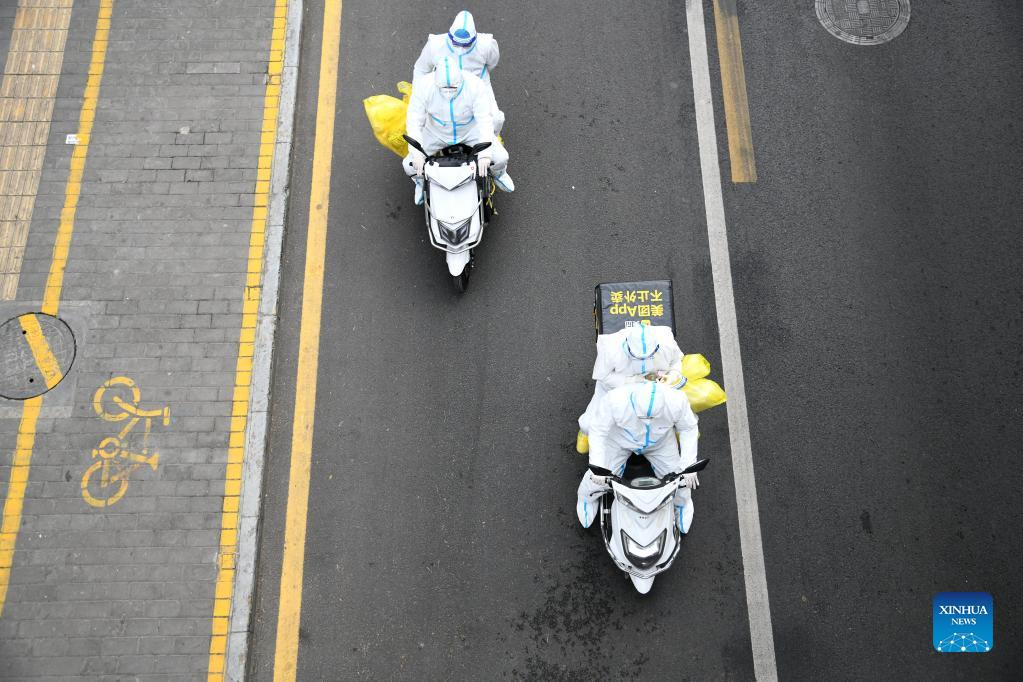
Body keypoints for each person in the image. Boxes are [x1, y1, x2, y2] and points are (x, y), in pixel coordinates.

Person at [575, 381, 700, 534]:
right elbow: (598, 430)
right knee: (597, 477)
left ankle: (682, 504)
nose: (648, 421)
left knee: (680, 478)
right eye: (643, 417)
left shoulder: (678, 401)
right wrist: (598, 465)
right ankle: (586, 499)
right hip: (620, 440)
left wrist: (688, 465)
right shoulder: (614, 400)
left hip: (660, 442)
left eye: (653, 417)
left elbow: (688, 428)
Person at [403, 56, 514, 205]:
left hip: (469, 131)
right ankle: (421, 182)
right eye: (444, 88)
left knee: (500, 158)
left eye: (453, 88)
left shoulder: (475, 85)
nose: (448, 93)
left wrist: (485, 154)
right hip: (435, 132)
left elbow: (484, 121)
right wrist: (417, 154)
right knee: (408, 165)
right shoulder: (423, 86)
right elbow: (414, 121)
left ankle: (499, 174)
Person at [576, 324, 683, 454]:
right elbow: (603, 376)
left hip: (656, 385)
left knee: (678, 413)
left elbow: (676, 361)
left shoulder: (666, 341)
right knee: (589, 423)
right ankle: (585, 433)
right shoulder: (610, 347)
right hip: (616, 387)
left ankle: (677, 431)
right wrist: (632, 381)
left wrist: (673, 375)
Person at [413, 10, 505, 135]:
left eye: (466, 45)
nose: (460, 49)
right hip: (442, 86)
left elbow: (491, 63)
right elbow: (421, 69)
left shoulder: (487, 45)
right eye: (456, 44)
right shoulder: (435, 44)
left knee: (496, 120)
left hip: (478, 85)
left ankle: (491, 140)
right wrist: (418, 95)